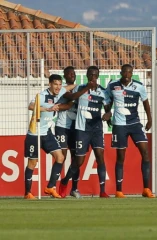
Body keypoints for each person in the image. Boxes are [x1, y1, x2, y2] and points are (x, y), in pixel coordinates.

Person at [58, 66, 112, 198]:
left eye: (95, 75)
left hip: (97, 129)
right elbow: (70, 97)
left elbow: (107, 110)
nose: (93, 77)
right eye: (90, 75)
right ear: (87, 75)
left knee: (100, 156)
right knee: (79, 161)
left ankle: (103, 191)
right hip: (82, 129)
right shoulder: (79, 88)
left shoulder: (103, 92)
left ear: (97, 76)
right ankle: (65, 182)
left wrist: (108, 115)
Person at [106, 64, 154, 198]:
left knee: (145, 152)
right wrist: (108, 112)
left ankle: (146, 189)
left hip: (135, 124)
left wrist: (150, 119)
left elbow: (145, 103)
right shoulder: (113, 85)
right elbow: (108, 101)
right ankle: (119, 191)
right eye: (125, 72)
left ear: (132, 74)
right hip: (119, 125)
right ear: (121, 72)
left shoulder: (139, 86)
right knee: (121, 156)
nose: (127, 75)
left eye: (129, 72)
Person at [24, 74, 75, 199]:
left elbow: (69, 87)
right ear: (50, 84)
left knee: (60, 157)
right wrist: (46, 109)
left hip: (46, 133)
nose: (58, 87)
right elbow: (30, 106)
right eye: (55, 84)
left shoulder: (59, 91)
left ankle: (50, 187)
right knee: (32, 162)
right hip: (34, 133)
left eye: (59, 84)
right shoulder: (42, 96)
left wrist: (81, 85)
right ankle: (28, 193)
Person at [54, 66, 82, 198]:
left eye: (73, 73)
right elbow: (71, 98)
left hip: (75, 127)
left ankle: (74, 188)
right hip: (62, 127)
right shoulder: (63, 90)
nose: (72, 75)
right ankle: (53, 187)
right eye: (69, 74)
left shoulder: (79, 89)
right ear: (65, 76)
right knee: (62, 157)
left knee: (76, 158)